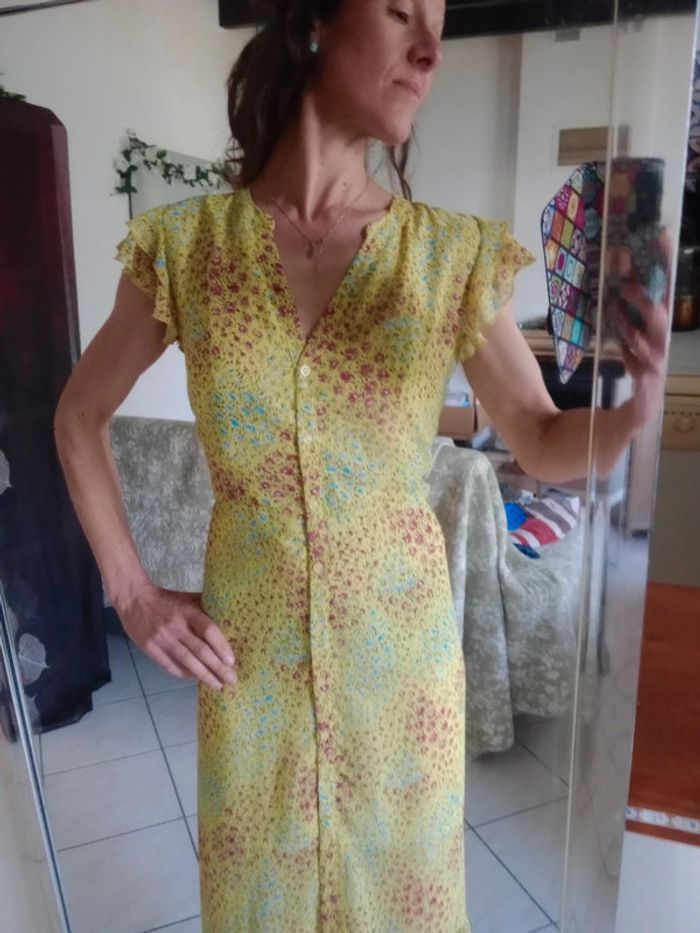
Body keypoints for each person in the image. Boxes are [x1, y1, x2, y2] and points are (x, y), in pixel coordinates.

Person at [53, 0, 670, 929]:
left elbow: (541, 436)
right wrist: (133, 592)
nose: (429, 51)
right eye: (399, 12)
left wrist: (634, 416)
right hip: (249, 674)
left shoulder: (449, 255)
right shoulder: (187, 250)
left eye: (439, 28)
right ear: (316, 23)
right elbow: (78, 416)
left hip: (401, 675)